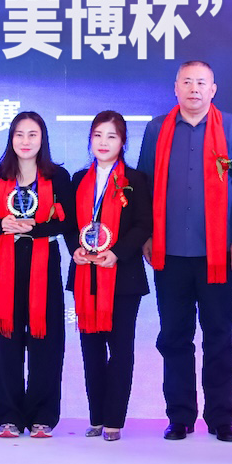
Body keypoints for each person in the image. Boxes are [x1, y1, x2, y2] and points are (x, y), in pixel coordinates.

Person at [136, 59, 232, 442]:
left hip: (218, 253)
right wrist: (146, 236)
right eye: (187, 82)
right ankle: (180, 416)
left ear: (213, 89)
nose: (194, 89)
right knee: (174, 337)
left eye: (202, 82)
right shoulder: (157, 129)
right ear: (175, 88)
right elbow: (143, 186)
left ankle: (222, 418)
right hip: (169, 253)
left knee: (219, 336)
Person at [0, 111, 75, 438]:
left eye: (32, 134)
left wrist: (34, 228)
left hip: (44, 264)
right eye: (19, 134)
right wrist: (2, 224)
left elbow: (68, 222)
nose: (25, 141)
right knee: (4, 340)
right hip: (8, 266)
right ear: (11, 139)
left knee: (46, 341)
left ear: (42, 139)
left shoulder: (58, 177)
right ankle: (7, 415)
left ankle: (42, 416)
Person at [65, 112, 152, 442]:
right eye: (98, 135)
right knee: (90, 349)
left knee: (120, 349)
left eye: (111, 136)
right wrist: (75, 248)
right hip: (86, 274)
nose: (103, 142)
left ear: (123, 142)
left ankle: (114, 419)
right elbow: (69, 224)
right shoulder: (78, 179)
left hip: (123, 277)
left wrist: (117, 253)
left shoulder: (136, 180)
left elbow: (144, 224)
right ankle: (97, 417)